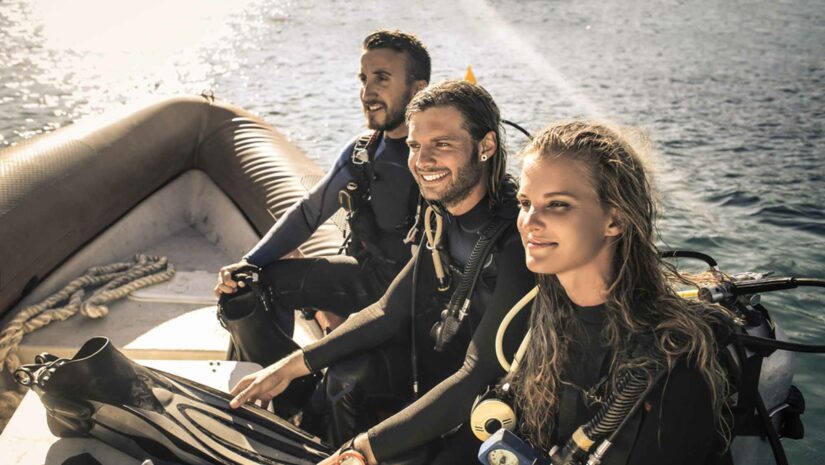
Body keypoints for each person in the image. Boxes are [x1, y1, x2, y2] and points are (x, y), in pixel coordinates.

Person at [228, 80, 535, 464]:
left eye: (442, 144)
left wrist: (363, 448)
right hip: (435, 368)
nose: (422, 161)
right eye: (415, 146)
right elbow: (389, 311)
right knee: (344, 378)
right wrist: (290, 367)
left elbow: (477, 374)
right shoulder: (441, 215)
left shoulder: (517, 241)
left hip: (486, 403)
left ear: (486, 146)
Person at [503, 121, 735, 464]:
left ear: (615, 220)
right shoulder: (547, 322)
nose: (530, 221)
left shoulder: (674, 358)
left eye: (558, 205)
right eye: (525, 202)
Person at [214, 30, 430, 345]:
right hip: (368, 277)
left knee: (272, 282)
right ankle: (274, 377)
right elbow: (308, 213)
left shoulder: (435, 160)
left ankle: (290, 381)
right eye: (363, 79)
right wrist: (248, 263)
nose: (367, 92)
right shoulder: (363, 152)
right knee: (252, 282)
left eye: (382, 78)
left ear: (418, 89)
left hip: (412, 298)